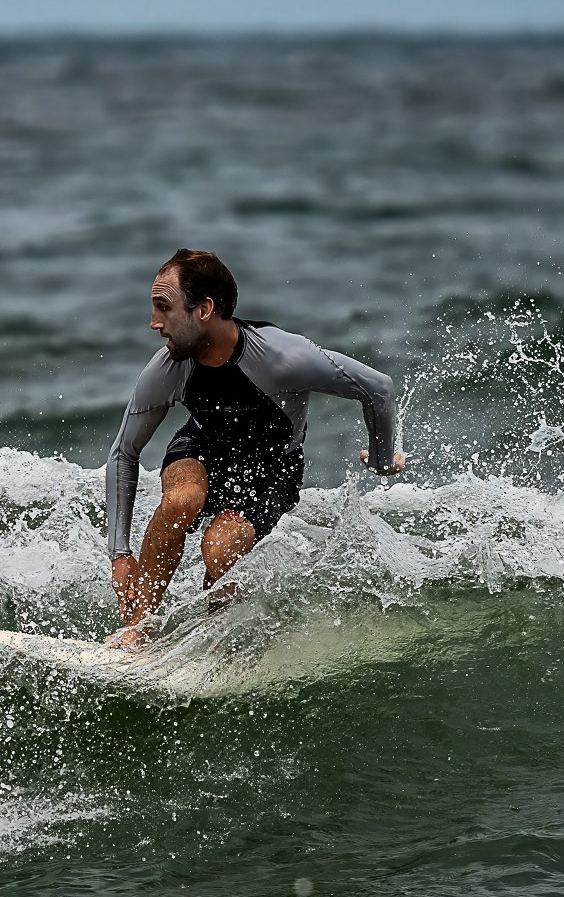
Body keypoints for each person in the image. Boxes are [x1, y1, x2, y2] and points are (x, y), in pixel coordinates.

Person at [104, 249, 404, 647]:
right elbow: (124, 453)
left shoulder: (282, 357)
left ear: (205, 309)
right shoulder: (169, 368)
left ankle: (214, 639)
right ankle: (136, 630)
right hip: (201, 449)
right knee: (180, 502)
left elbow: (378, 389)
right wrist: (120, 553)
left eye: (164, 308)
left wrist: (382, 461)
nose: (154, 322)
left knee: (219, 548)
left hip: (270, 471)